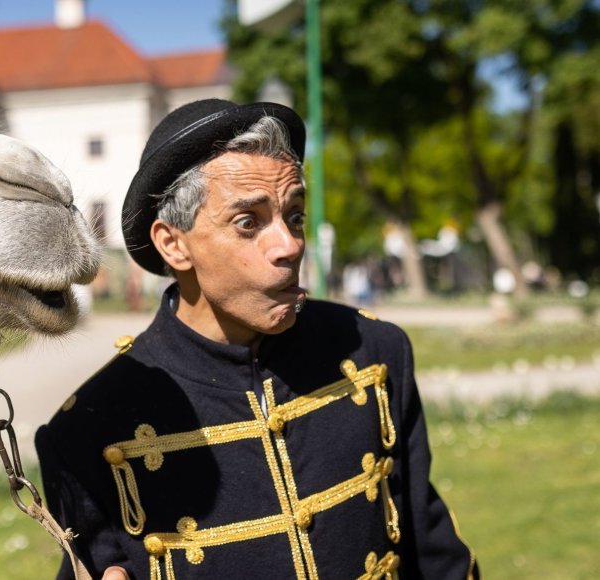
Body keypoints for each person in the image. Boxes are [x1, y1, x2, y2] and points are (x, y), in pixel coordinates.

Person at [35, 99, 477, 579]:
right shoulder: (89, 430)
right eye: (249, 222)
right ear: (173, 244)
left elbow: (436, 557)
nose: (289, 245)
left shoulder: (374, 351)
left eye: (295, 216)